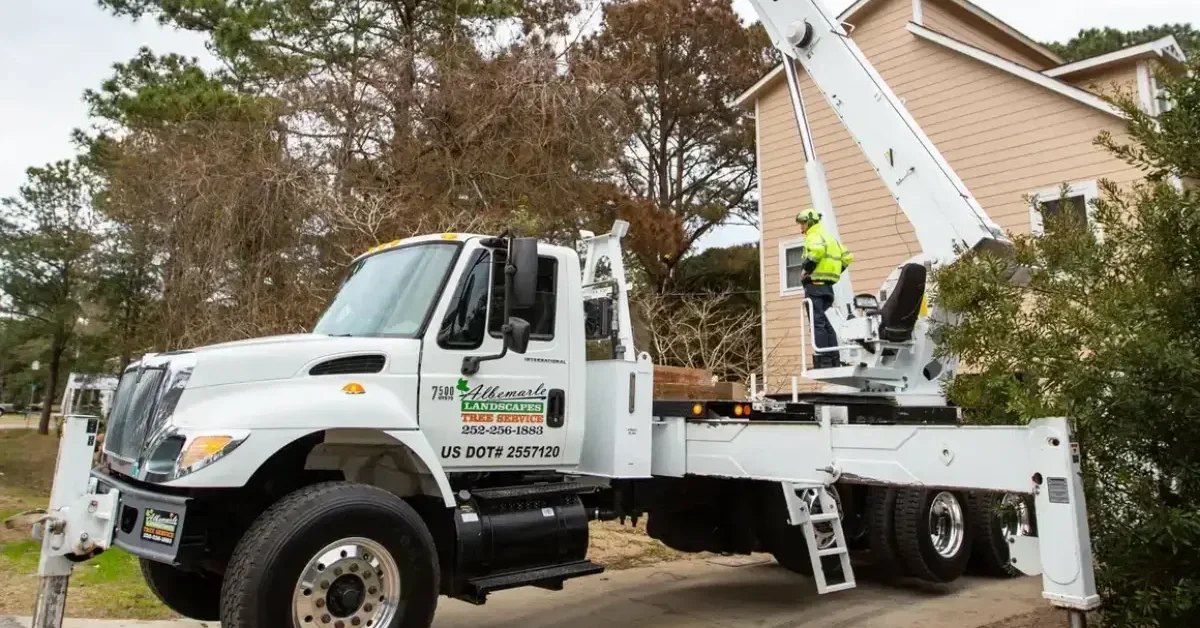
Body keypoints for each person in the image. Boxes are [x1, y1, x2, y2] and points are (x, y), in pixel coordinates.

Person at [795, 207, 853, 368]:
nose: (801, 227)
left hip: (815, 285)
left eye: (803, 224)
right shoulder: (829, 238)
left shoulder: (813, 236)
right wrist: (835, 271)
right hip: (828, 287)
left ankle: (823, 361)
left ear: (810, 222)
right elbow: (847, 256)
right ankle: (834, 360)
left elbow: (816, 252)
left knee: (818, 322)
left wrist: (806, 269)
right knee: (828, 323)